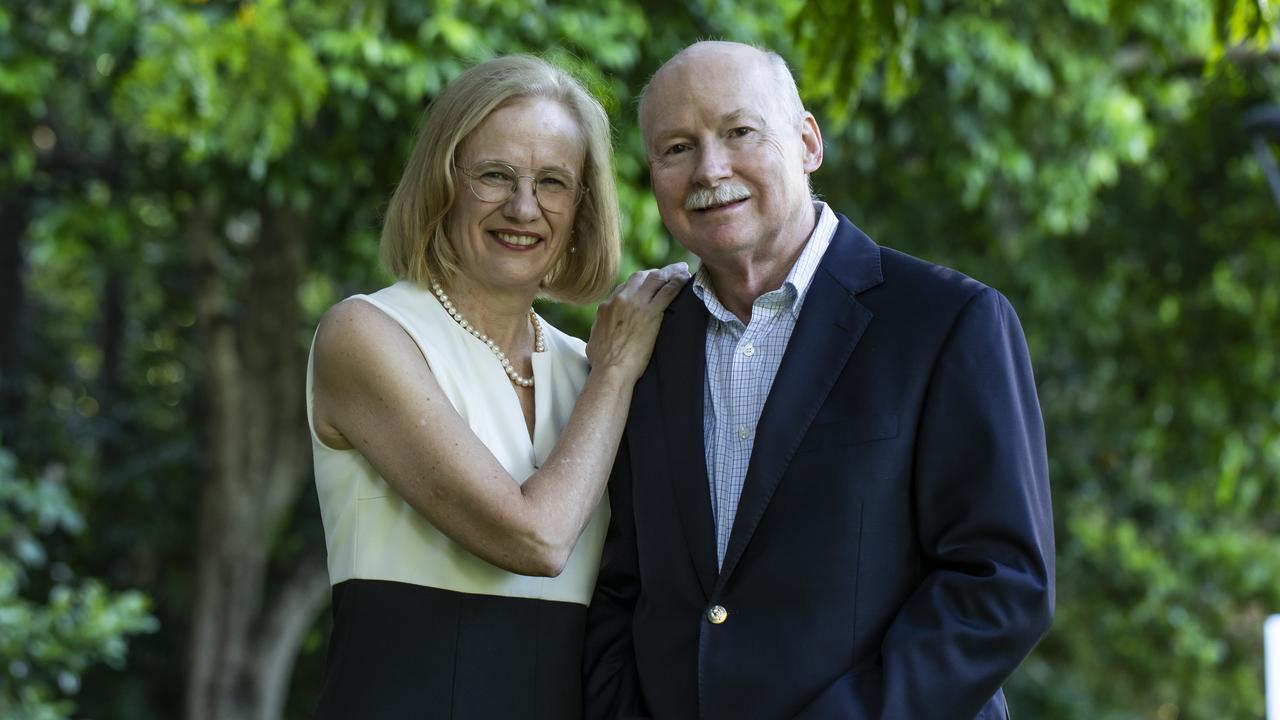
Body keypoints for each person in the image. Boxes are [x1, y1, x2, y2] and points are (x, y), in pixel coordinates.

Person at [584, 41, 1055, 719]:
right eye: (676, 148)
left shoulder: (948, 322)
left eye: (739, 131)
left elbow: (1002, 584)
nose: (710, 169)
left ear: (808, 142)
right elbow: (622, 586)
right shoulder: (645, 345)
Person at [306, 55, 687, 719]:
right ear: (442, 182)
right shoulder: (367, 335)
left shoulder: (588, 368)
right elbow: (534, 540)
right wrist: (618, 372)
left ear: (581, 207)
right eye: (494, 175)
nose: (523, 207)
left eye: (553, 183)